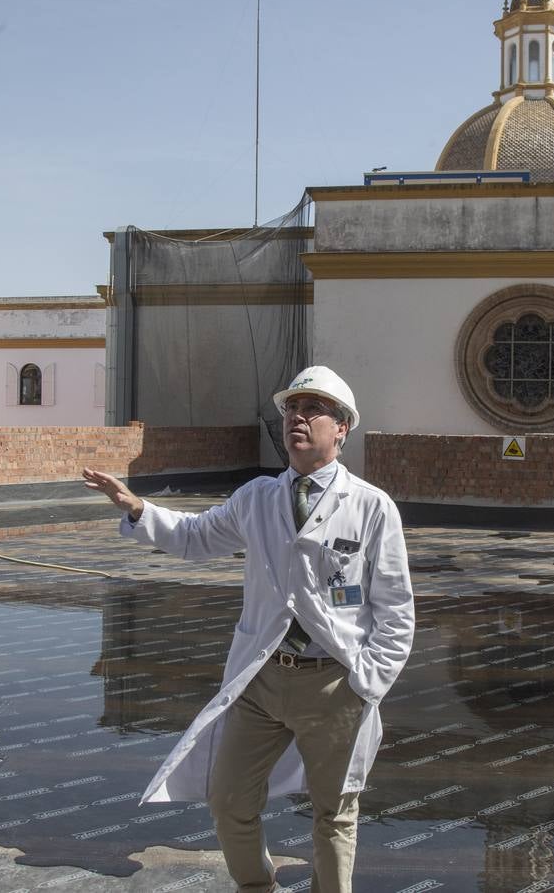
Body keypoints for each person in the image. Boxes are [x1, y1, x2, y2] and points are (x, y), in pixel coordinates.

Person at [82, 365, 414, 893]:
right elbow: (194, 537)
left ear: (342, 428)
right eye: (290, 409)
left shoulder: (372, 507)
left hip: (334, 684)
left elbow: (396, 611)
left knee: (334, 812)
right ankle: (257, 885)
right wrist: (137, 507)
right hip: (261, 682)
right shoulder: (257, 496)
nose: (297, 418)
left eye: (313, 410)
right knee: (229, 798)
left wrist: (364, 684)